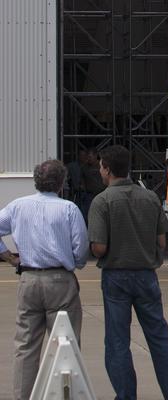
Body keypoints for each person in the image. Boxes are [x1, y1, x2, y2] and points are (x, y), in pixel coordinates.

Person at [88, 145, 168, 400]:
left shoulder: (102, 201)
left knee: (118, 342)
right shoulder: (149, 198)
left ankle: (126, 395)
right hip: (146, 275)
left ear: (107, 169)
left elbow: (99, 248)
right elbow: (162, 242)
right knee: (159, 339)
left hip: (116, 277)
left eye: (100, 167)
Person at [0, 159, 88, 400]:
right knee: (65, 344)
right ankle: (62, 394)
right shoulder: (68, 209)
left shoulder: (17, 206)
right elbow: (81, 250)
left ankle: (24, 396)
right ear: (61, 183)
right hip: (60, 280)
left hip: (28, 279)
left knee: (26, 346)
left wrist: (8, 256)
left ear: (35, 181)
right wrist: (75, 263)